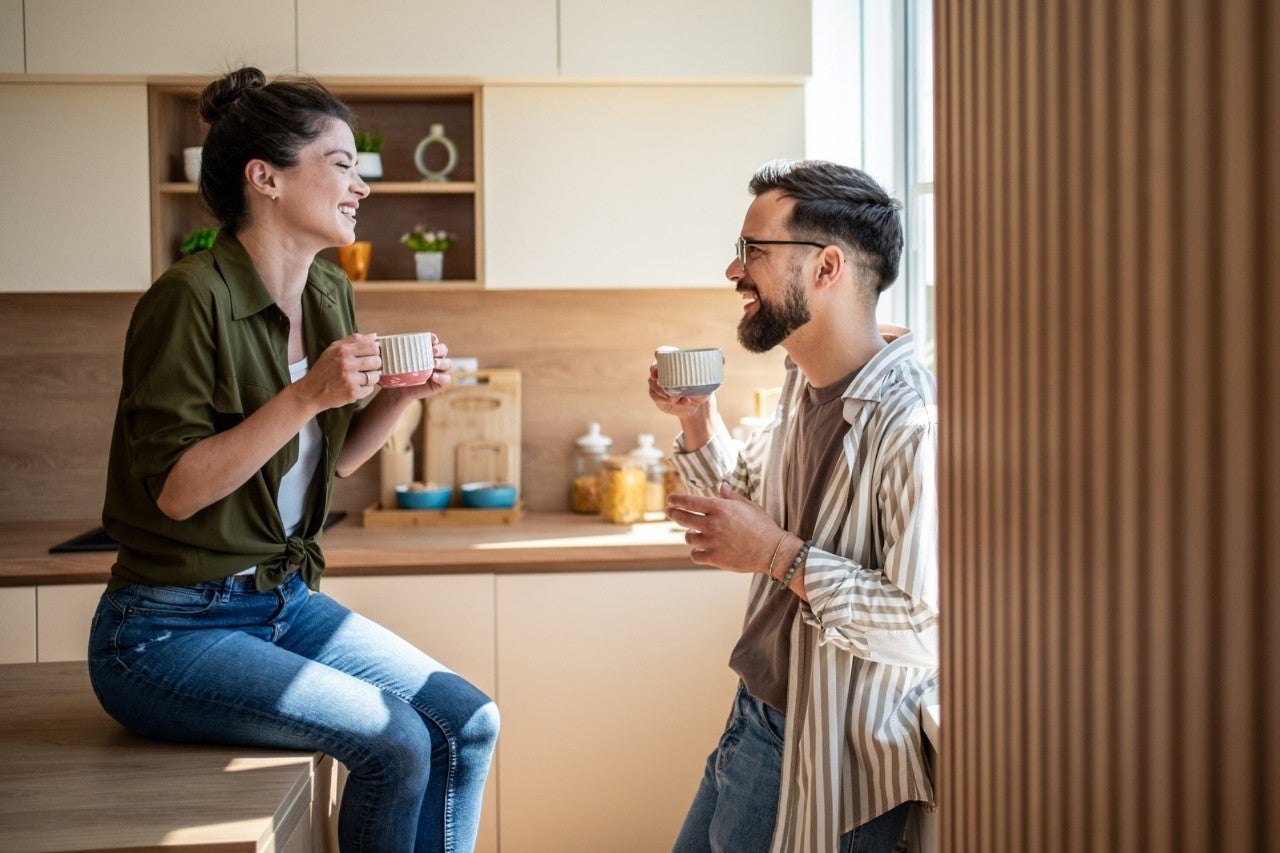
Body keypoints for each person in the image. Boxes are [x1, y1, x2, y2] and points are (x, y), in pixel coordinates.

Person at [88, 67, 498, 853]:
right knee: (399, 741)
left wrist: (401, 397)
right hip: (166, 629)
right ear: (265, 177)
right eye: (342, 163)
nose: (361, 185)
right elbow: (178, 493)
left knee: (466, 721)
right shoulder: (187, 298)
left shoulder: (328, 293)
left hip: (282, 602)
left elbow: (332, 465)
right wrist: (308, 393)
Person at [652, 159, 938, 853]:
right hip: (757, 718)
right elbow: (746, 510)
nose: (733, 269)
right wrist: (696, 418)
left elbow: (922, 628)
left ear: (827, 267)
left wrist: (779, 556)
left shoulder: (912, 423)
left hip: (825, 747)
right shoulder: (803, 388)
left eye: (755, 250)